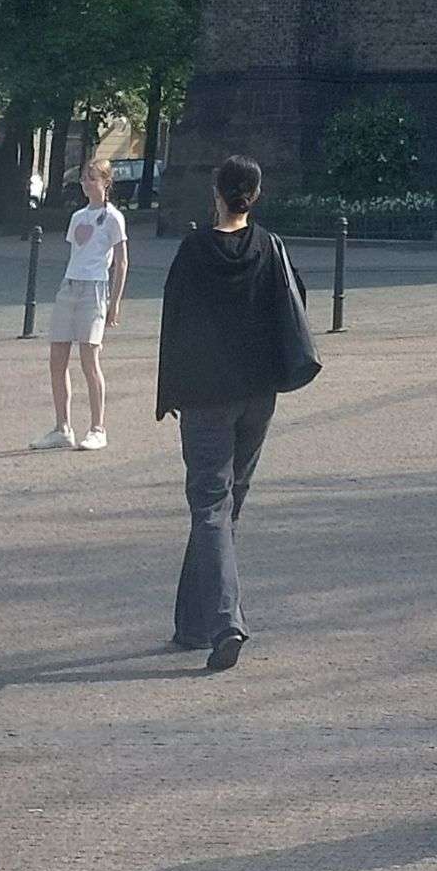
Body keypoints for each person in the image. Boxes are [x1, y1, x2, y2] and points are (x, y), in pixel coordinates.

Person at [154, 153, 296, 671]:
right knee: (225, 505)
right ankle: (193, 624)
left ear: (216, 192)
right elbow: (293, 307)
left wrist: (169, 393)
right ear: (254, 196)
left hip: (207, 396)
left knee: (210, 505)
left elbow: (175, 321)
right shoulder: (269, 247)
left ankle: (224, 621)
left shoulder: (194, 250)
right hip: (257, 394)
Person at [34, 150, 128, 452]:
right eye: (84, 179)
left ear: (106, 182)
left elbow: (121, 262)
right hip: (70, 285)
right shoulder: (78, 217)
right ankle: (62, 427)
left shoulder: (113, 218)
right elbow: (76, 252)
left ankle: (98, 428)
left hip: (95, 289)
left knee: (89, 360)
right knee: (57, 359)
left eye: (92, 179)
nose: (86, 184)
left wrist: (115, 302)